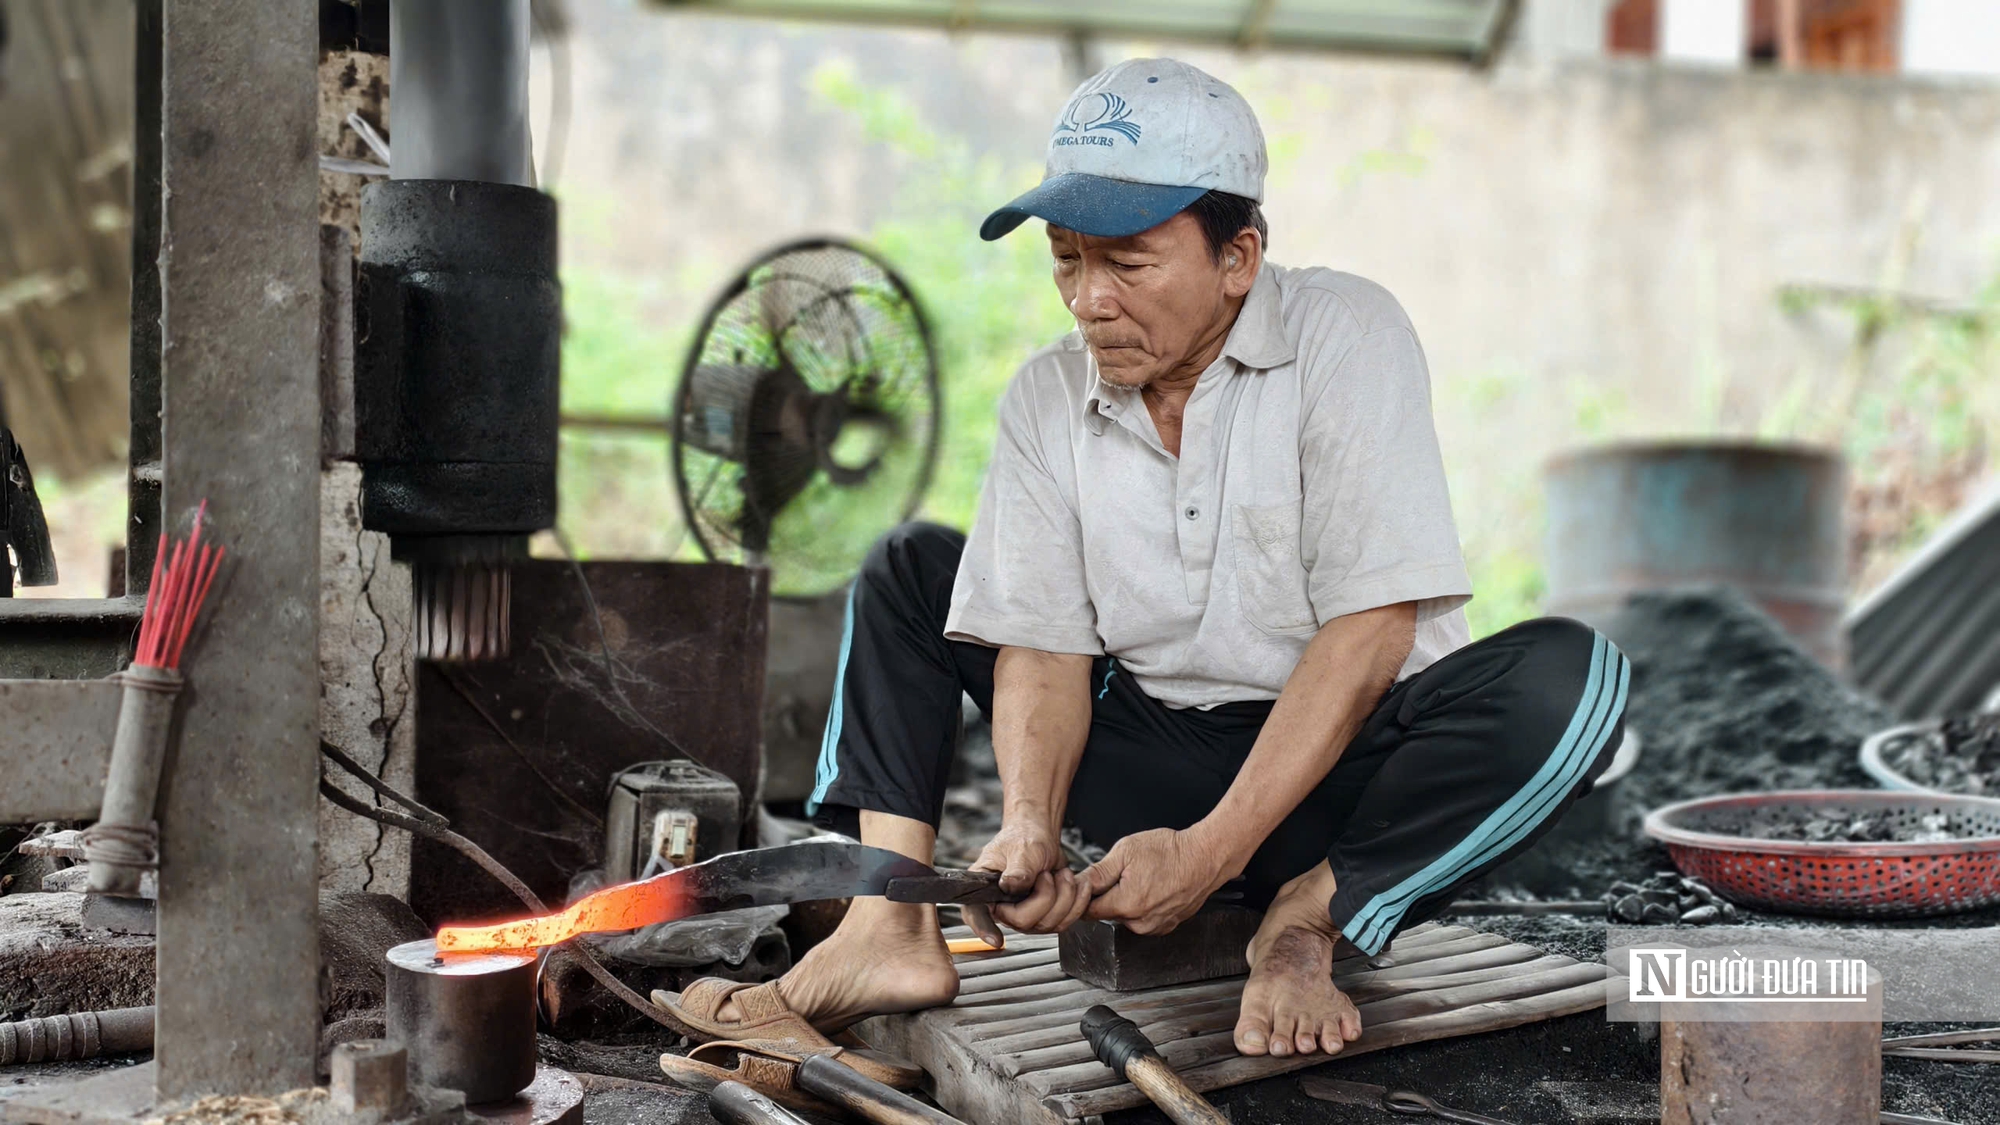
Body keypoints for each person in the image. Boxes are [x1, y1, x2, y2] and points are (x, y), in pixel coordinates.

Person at [661, 57, 1627, 1062]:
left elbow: (1369, 632)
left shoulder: (1343, 334)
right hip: (1155, 762)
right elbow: (1037, 642)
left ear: (1237, 256)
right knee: (908, 568)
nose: (1087, 300)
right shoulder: (1046, 398)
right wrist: (1031, 824)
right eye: (1067, 259)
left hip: (1344, 783)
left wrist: (1209, 858)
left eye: (1126, 264)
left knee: (1575, 677)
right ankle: (885, 928)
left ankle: (1308, 919)